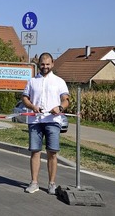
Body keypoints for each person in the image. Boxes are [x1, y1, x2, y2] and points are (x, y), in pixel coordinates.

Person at [21, 52, 69, 195]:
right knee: (35, 152)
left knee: (52, 153)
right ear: (38, 65)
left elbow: (66, 100)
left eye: (48, 64)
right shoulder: (32, 81)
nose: (45, 67)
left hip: (53, 121)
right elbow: (24, 98)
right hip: (35, 121)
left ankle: (51, 184)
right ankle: (34, 182)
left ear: (52, 64)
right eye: (42, 64)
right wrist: (32, 107)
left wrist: (60, 108)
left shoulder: (59, 81)